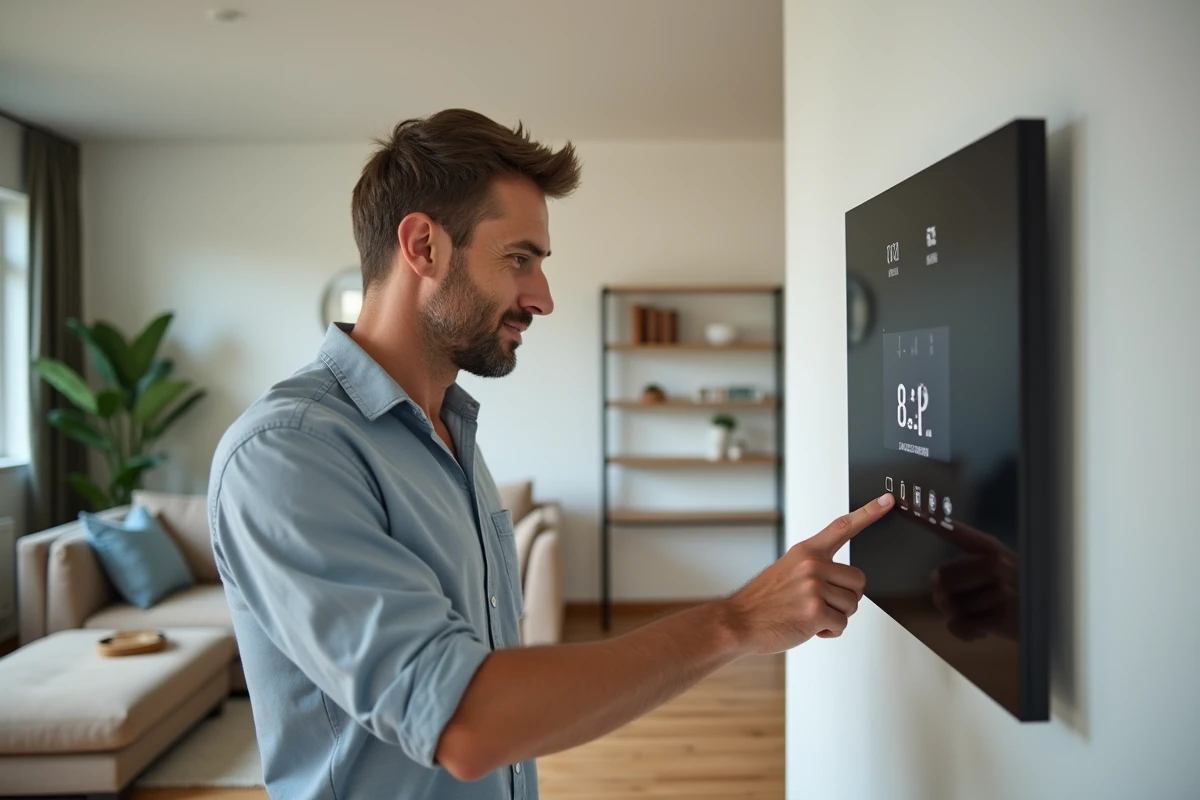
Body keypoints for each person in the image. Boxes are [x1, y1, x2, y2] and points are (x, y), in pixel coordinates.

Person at [208, 108, 895, 800]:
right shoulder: (290, 451)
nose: (542, 297)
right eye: (519, 259)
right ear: (422, 246)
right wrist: (735, 621)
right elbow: (468, 721)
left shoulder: (449, 430)